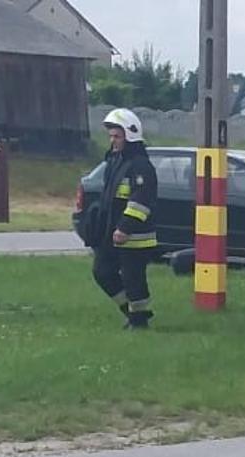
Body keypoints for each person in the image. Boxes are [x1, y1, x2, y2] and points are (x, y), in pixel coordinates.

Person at [91, 109, 159, 329]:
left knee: (133, 279)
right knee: (102, 272)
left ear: (130, 135)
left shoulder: (141, 165)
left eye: (117, 136)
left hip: (135, 236)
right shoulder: (115, 161)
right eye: (111, 136)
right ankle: (132, 313)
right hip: (113, 233)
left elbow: (141, 200)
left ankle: (139, 321)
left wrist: (125, 228)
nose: (113, 140)